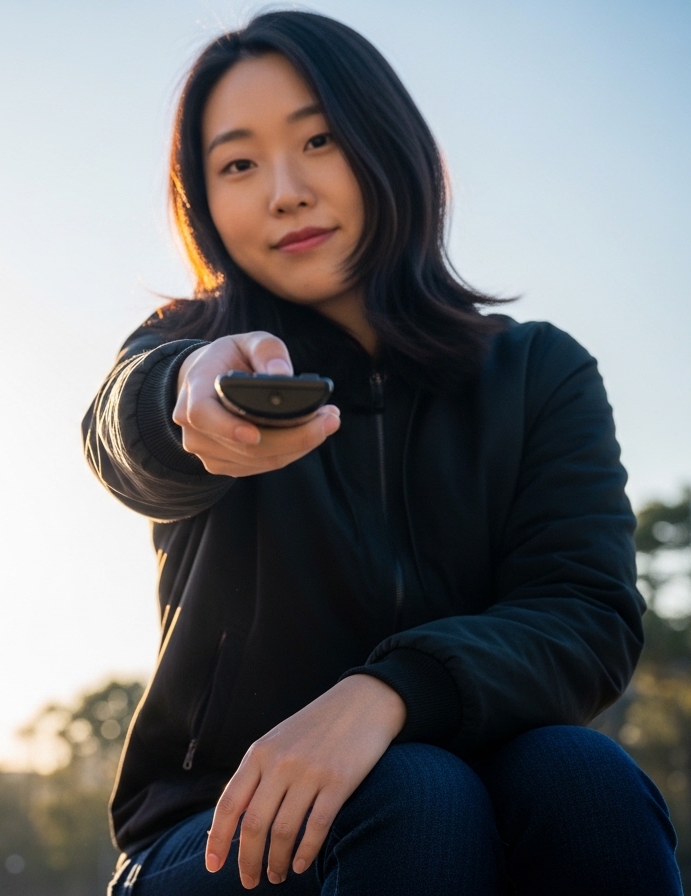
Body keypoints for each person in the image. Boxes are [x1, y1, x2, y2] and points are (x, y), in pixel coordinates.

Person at [82, 11, 680, 895]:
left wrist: (387, 694)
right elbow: (117, 431)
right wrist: (182, 398)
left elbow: (586, 616)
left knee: (586, 780)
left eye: (318, 139)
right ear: (203, 201)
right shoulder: (196, 353)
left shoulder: (538, 372)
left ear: (386, 142)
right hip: (212, 830)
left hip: (489, 784)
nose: (284, 190)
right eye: (238, 163)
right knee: (417, 793)